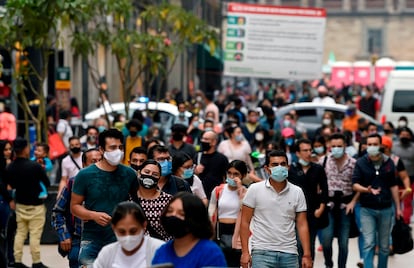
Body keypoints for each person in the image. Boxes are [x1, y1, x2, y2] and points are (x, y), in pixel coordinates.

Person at [71, 129, 138, 266]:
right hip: (92, 239)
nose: (118, 151)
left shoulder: (130, 174)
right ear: (101, 150)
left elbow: (138, 203)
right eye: (112, 148)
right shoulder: (85, 175)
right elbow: (74, 207)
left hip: (122, 239)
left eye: (120, 147)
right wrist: (93, 215)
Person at [240, 150, 312, 268]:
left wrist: (307, 255)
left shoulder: (297, 192)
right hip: (261, 252)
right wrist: (245, 252)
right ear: (267, 169)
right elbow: (245, 221)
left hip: (290, 253)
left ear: (288, 167)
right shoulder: (254, 189)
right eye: (274, 165)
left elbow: (302, 224)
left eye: (283, 164)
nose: (280, 167)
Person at [352, 133, 402, 268]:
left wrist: (398, 207)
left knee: (384, 246)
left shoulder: (388, 162)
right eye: (369, 144)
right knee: (369, 243)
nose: (372, 147)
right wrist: (366, 190)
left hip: (386, 208)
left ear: (380, 145)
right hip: (367, 209)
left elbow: (393, 185)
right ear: (366, 146)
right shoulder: (361, 162)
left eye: (375, 144)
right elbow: (355, 184)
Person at [51, 148, 102, 268]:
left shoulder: (111, 185)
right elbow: (57, 212)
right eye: (93, 161)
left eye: (101, 161)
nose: (98, 165)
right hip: (78, 241)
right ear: (84, 164)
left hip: (103, 240)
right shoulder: (73, 184)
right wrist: (64, 236)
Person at [5, 137, 50, 268]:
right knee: (34, 235)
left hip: (20, 205)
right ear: (26, 149)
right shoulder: (35, 166)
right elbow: (46, 183)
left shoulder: (10, 167)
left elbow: (10, 184)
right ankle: (36, 262)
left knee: (20, 234)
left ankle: (17, 261)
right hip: (36, 205)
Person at [152, 192, 227, 267]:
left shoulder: (210, 252)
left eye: (181, 214)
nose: (173, 216)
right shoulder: (162, 251)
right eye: (170, 211)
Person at [319, 133, 359, 268]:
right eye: (333, 146)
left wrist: (353, 202)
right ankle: (328, 264)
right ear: (329, 146)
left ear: (345, 146)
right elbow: (317, 182)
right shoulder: (323, 161)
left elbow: (359, 184)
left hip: (345, 205)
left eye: (339, 146)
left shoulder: (353, 163)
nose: (336, 149)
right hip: (328, 205)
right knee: (326, 240)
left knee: (343, 242)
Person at [288, 138, 328, 264]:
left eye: (310, 150)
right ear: (298, 153)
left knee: (309, 245)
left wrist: (321, 208)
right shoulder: (291, 170)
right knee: (297, 245)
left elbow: (325, 188)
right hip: (295, 213)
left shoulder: (318, 169)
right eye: (305, 150)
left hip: (312, 212)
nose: (308, 153)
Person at [93, 201, 164, 268]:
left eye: (133, 231)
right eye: (122, 232)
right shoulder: (107, 253)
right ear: (114, 228)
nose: (128, 236)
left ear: (144, 225)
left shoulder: (159, 249)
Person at [208, 160, 247, 267]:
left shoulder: (246, 192)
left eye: (236, 174)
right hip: (221, 232)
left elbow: (245, 210)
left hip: (238, 232)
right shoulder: (218, 190)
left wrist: (240, 189)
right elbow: (211, 212)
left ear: (243, 175)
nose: (232, 176)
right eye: (229, 173)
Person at [131, 160, 173, 241]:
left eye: (155, 174)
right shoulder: (129, 198)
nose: (150, 176)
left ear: (159, 178)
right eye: (147, 172)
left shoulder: (168, 200)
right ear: (139, 173)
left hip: (160, 248)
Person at [194, 130, 229, 199]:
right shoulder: (197, 156)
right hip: (200, 196)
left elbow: (226, 178)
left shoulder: (222, 158)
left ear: (214, 142)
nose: (203, 141)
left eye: (206, 139)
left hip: (216, 195)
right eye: (202, 138)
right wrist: (195, 171)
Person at [392, 127, 414, 224]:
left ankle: (405, 223)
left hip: (410, 179)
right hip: (396, 179)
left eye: (407, 135)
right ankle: (395, 220)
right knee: (395, 201)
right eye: (403, 134)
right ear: (399, 135)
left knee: (407, 202)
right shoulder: (394, 146)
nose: (404, 136)